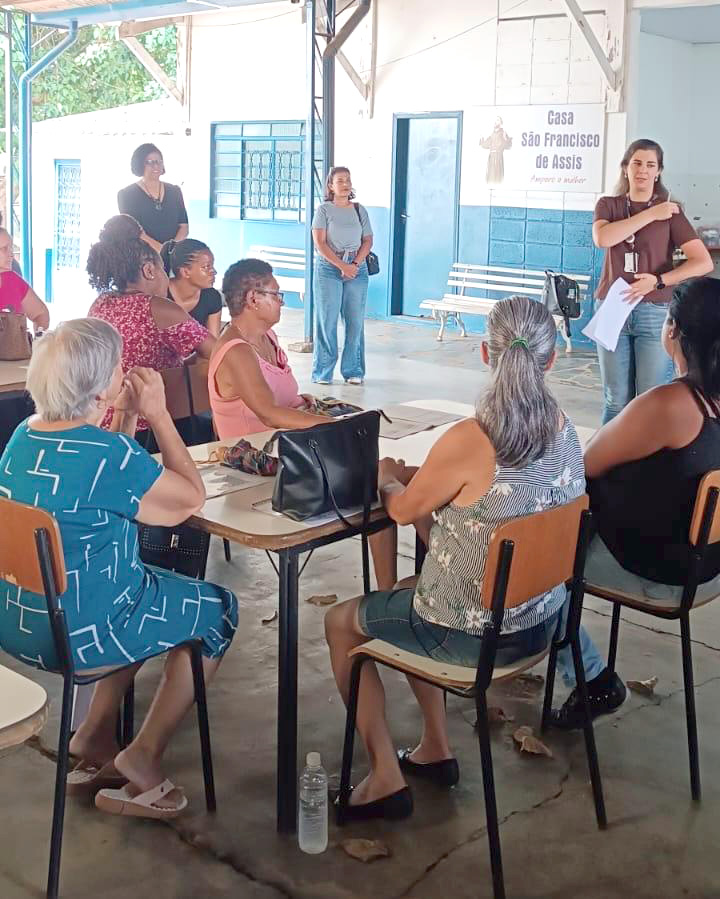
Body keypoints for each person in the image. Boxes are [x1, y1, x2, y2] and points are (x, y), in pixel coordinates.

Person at [324, 296, 598, 821]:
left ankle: (384, 775)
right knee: (412, 591)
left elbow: (402, 510)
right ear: (550, 360)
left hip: (472, 637)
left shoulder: (473, 438)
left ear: (484, 353)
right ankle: (434, 746)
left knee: (341, 623)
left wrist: (387, 475)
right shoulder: (565, 427)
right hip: (540, 623)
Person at [0, 318, 238, 817]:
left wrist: (125, 416)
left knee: (140, 595)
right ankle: (142, 756)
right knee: (218, 610)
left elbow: (110, 482)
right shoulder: (109, 455)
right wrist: (159, 414)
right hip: (81, 635)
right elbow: (188, 499)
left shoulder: (23, 437)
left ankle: (91, 737)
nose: (124, 369)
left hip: (25, 624)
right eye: (117, 364)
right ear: (97, 385)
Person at [551, 277, 720, 728]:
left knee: (535, 563)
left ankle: (590, 678)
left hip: (656, 572)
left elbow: (586, 463)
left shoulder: (669, 404)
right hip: (707, 569)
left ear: (674, 331)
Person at [592, 138, 712, 423]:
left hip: (654, 311)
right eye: (636, 163)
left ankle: (648, 452)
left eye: (650, 164)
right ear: (625, 168)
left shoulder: (670, 212)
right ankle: (612, 451)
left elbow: (703, 262)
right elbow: (603, 238)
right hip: (613, 308)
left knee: (651, 397)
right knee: (614, 398)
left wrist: (658, 281)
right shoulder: (608, 205)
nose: (642, 170)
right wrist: (650, 214)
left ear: (658, 171)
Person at [87, 215, 214, 435]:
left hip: (103, 421)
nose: (166, 277)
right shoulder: (158, 307)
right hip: (151, 424)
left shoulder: (100, 303)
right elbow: (220, 352)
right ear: (149, 270)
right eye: (163, 269)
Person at [209, 259, 328, 438]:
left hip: (285, 437)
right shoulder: (236, 352)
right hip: (256, 448)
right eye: (275, 295)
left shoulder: (268, 336)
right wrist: (339, 426)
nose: (281, 302)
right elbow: (269, 415)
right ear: (253, 299)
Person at [311, 166, 373, 386]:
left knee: (355, 321)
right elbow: (320, 243)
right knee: (327, 320)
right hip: (329, 268)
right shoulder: (324, 210)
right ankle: (323, 373)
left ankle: (353, 370)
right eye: (340, 181)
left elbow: (368, 240)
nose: (345, 184)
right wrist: (341, 265)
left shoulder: (359, 209)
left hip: (357, 268)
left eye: (348, 180)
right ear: (330, 186)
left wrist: (353, 265)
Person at [117, 143, 189, 254]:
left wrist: (172, 250)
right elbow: (134, 231)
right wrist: (162, 251)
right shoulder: (126, 194)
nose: (156, 166)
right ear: (139, 164)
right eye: (150, 162)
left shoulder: (174, 191)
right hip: (143, 256)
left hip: (173, 256)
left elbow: (184, 226)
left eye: (159, 161)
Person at [161, 238, 222, 337]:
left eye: (212, 266)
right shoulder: (159, 294)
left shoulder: (212, 297)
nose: (214, 272)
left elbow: (213, 343)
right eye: (206, 267)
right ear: (185, 272)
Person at [0, 227, 49, 332]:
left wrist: (39, 337)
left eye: (11, 248)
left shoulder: (13, 281)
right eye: (4, 249)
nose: (11, 254)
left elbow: (41, 314)